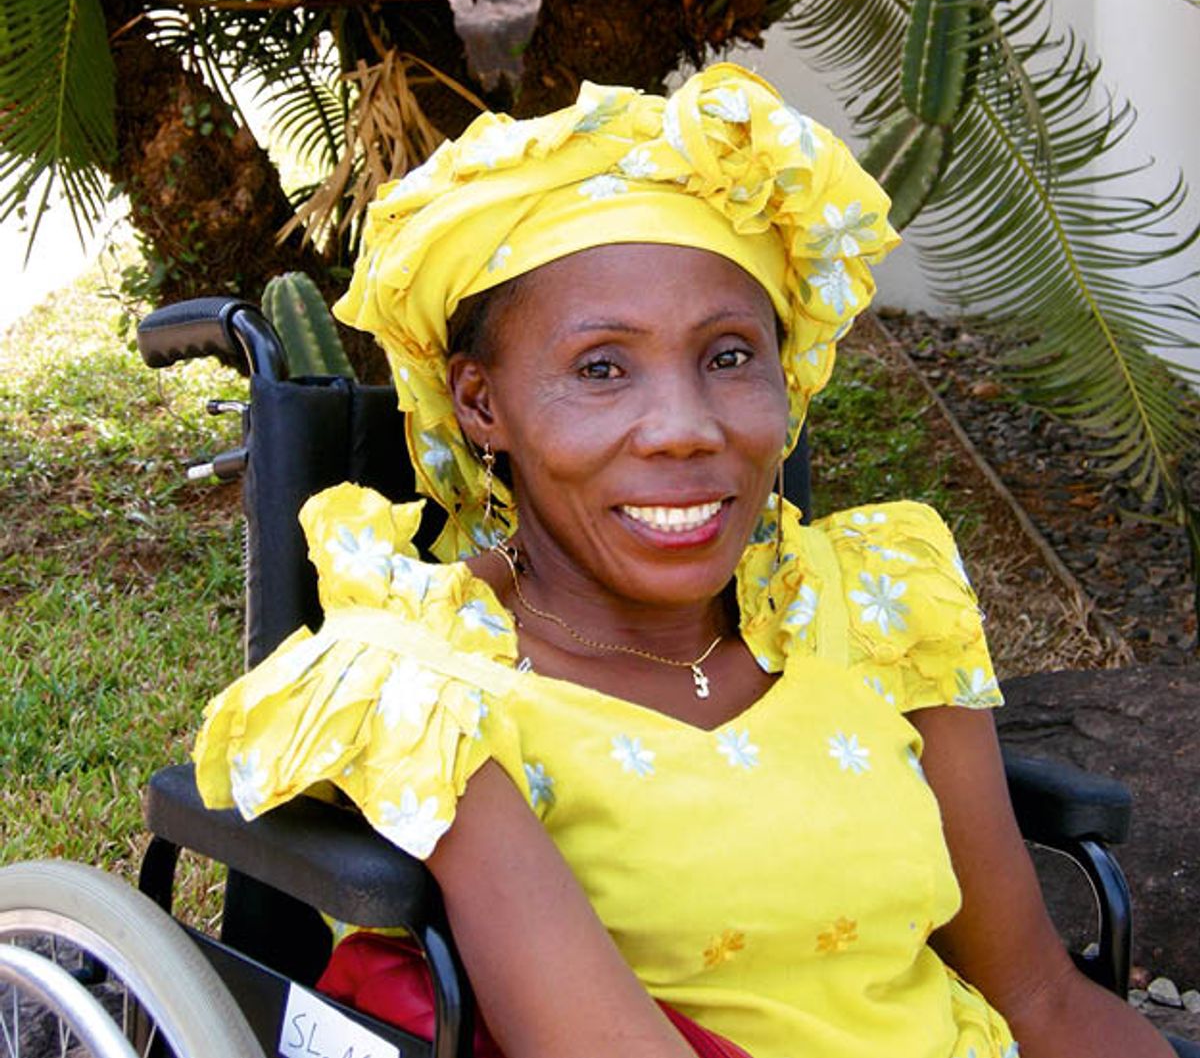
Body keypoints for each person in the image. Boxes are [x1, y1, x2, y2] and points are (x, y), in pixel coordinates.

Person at [193, 63, 1172, 1058]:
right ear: (483, 403)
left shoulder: (876, 602)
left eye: (730, 356)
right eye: (602, 368)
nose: (684, 428)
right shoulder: (432, 683)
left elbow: (1042, 999)